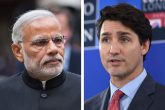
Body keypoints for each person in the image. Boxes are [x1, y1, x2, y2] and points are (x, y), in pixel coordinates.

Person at [85, 3, 165, 110]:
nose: (113, 50)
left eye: (124, 39)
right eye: (106, 40)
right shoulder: (87, 106)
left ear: (144, 46)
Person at [0, 10, 80, 110]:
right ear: (18, 51)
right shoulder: (3, 93)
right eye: (41, 42)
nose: (53, 49)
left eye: (58, 40)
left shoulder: (83, 89)